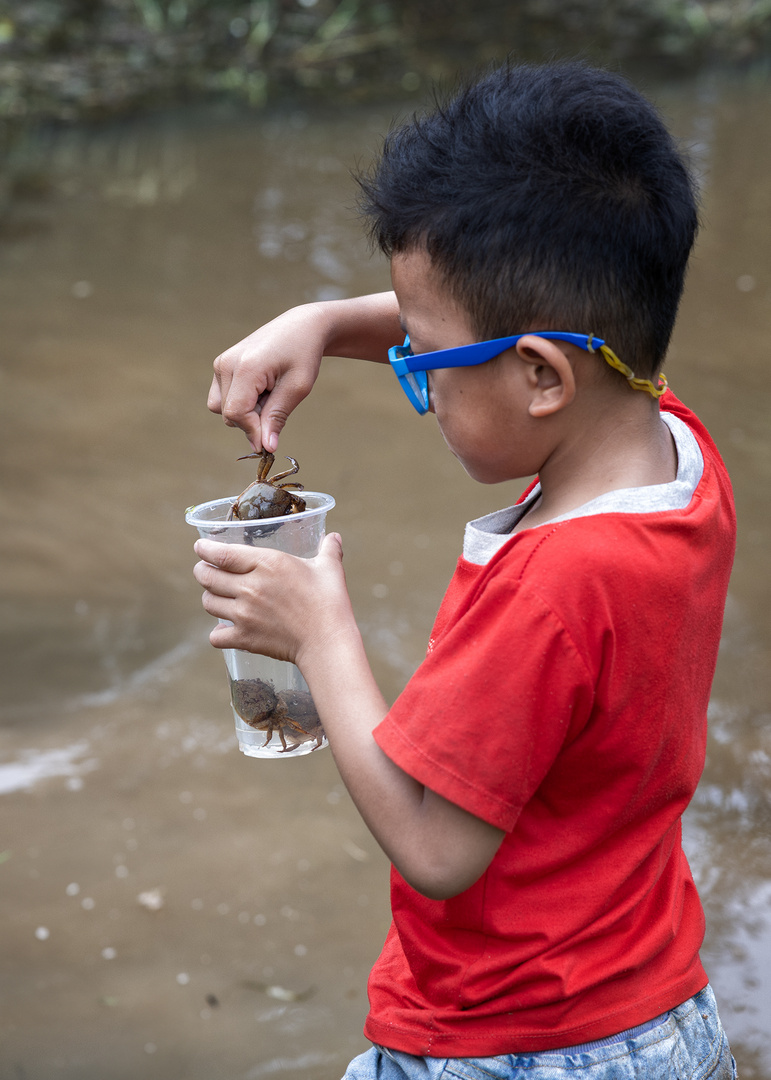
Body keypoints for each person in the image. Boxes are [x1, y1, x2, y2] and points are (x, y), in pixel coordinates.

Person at [193, 61, 737, 1078]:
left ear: (541, 377)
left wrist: (321, 636)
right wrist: (324, 322)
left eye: (421, 361)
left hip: (516, 1046)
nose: (413, 377)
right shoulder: (672, 438)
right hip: (651, 1006)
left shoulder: (553, 587)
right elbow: (533, 325)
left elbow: (439, 850)